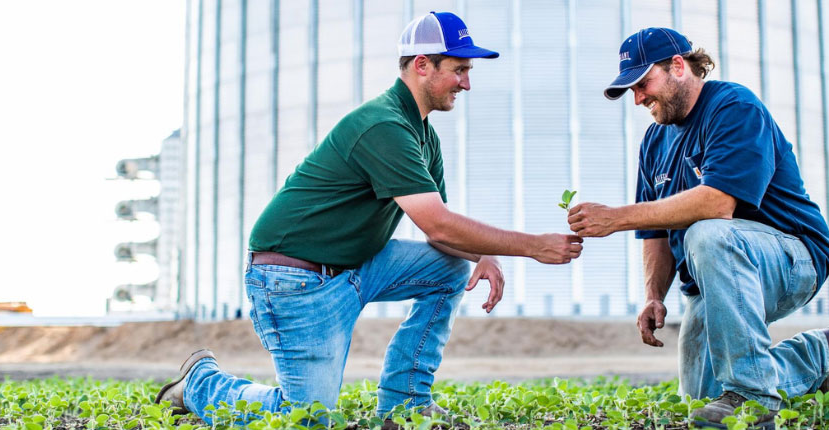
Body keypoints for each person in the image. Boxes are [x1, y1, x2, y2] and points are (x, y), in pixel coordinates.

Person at [156, 11, 583, 424]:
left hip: (355, 266)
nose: (467, 83)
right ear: (422, 65)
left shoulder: (423, 135)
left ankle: (406, 404)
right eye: (459, 69)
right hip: (294, 279)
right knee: (306, 419)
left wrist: (481, 255)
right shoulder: (383, 126)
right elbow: (438, 224)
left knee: (450, 266)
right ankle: (199, 384)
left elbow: (439, 232)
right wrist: (533, 246)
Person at [566, 27, 829, 428]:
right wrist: (653, 295)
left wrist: (615, 218)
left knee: (706, 229)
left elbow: (718, 203)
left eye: (643, 83)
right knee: (704, 404)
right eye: (631, 90)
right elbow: (656, 232)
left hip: (792, 258)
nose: (639, 97)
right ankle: (816, 355)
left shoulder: (734, 107)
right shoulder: (654, 141)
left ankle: (753, 400)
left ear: (678, 66)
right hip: (715, 277)